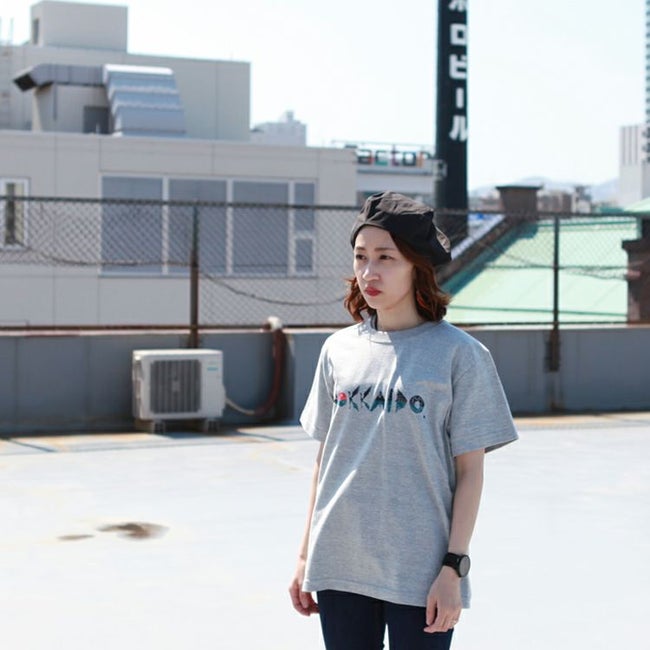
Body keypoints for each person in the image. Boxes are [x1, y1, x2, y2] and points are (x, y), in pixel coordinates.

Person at [289, 191, 518, 650]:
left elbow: (470, 473)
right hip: (339, 563)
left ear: (417, 265)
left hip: (423, 571)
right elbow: (325, 461)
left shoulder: (461, 356)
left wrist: (454, 568)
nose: (369, 272)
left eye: (386, 258)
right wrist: (305, 556)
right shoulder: (337, 350)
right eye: (361, 256)